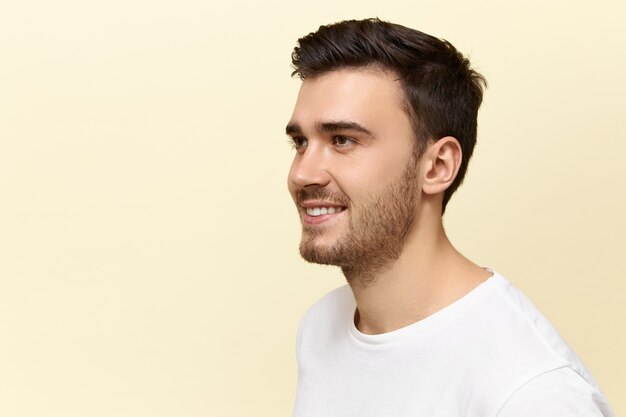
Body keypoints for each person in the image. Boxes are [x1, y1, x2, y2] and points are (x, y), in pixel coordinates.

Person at [284, 18, 614, 417]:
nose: (302, 173)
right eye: (301, 142)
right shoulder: (321, 328)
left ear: (438, 166)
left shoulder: (532, 391)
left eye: (343, 140)